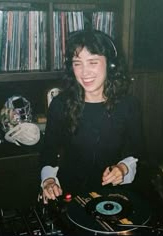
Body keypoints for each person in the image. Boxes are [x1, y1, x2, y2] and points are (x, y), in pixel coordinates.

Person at [39, 29, 143, 203]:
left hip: (114, 196)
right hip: (68, 193)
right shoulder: (59, 104)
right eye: (78, 63)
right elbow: (48, 152)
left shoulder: (129, 105)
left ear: (110, 64)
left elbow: (137, 152)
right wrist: (49, 180)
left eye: (92, 62)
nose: (84, 72)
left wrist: (123, 168)